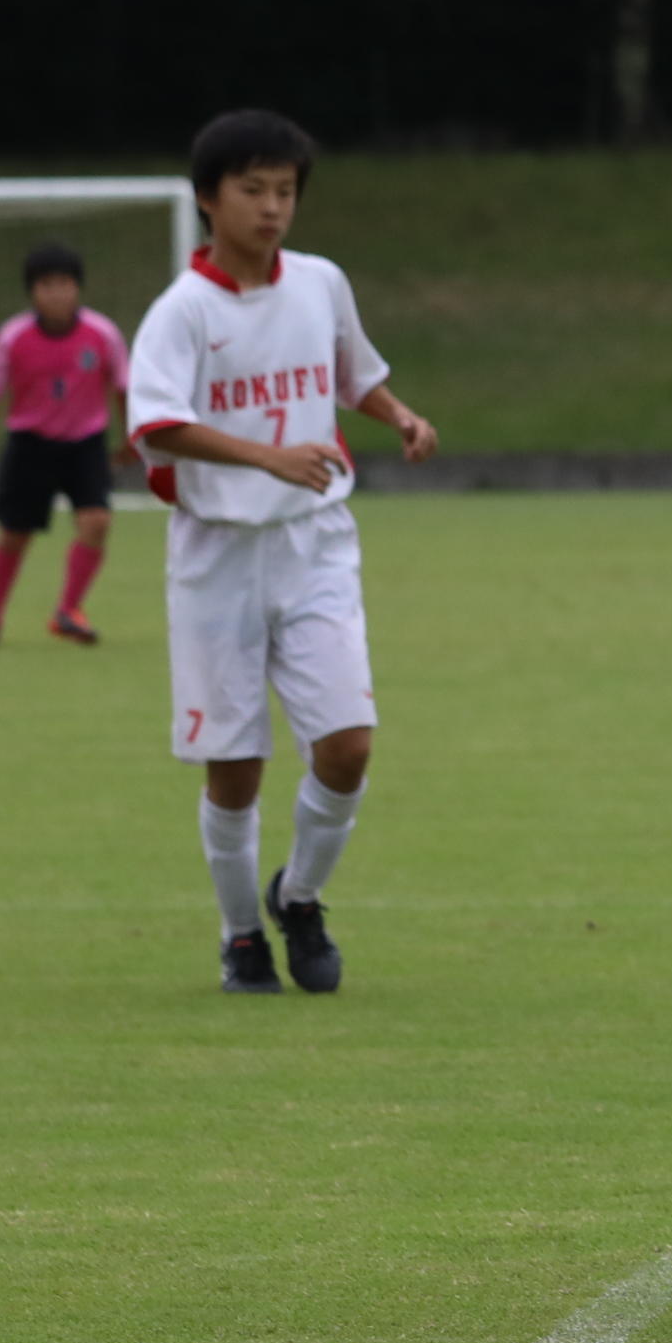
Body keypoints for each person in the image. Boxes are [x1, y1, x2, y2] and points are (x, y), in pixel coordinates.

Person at [124, 110, 439, 995]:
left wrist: (398, 415)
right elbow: (153, 424)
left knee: (347, 747)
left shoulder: (320, 283)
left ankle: (298, 898)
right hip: (218, 551)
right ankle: (239, 938)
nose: (272, 209)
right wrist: (269, 454)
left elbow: (352, 372)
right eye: (252, 190)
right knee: (236, 766)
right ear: (207, 200)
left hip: (315, 544)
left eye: (285, 191)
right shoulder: (182, 312)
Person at [0, 240, 134, 647]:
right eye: (47, 285)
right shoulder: (14, 336)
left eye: (65, 283)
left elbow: (123, 386)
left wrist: (131, 436)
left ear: (78, 288)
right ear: (32, 292)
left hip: (86, 442)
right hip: (31, 443)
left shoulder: (102, 333)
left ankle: (68, 610)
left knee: (97, 521)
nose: (57, 293)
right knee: (14, 533)